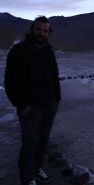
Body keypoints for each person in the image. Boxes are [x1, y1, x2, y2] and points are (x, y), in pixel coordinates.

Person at [4, 16, 61, 185]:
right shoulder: (19, 50)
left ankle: (37, 168)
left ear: (48, 33)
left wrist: (57, 97)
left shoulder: (48, 50)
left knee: (43, 140)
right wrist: (21, 104)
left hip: (49, 104)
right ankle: (27, 177)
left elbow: (54, 75)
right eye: (39, 29)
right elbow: (10, 80)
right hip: (29, 107)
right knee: (29, 142)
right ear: (32, 30)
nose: (42, 33)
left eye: (45, 31)